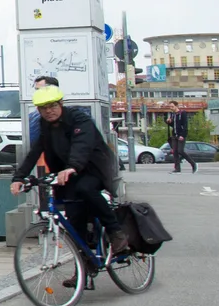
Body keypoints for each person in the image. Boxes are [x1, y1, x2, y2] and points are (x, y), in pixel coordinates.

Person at [11, 85, 130, 272]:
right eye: (43, 108)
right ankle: (83, 271)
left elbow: (82, 144)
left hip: (95, 169)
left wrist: (72, 166)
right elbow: (35, 151)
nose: (48, 111)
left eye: (52, 106)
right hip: (69, 174)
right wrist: (19, 177)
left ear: (61, 103)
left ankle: (116, 232)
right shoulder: (45, 125)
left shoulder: (79, 119)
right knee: (75, 221)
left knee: (86, 189)